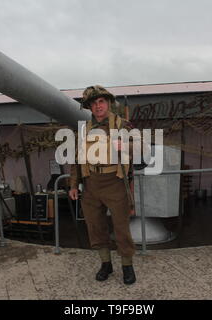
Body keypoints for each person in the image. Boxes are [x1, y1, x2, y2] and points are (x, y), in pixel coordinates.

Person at [68, 85, 137, 285]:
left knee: (121, 228)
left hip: (115, 182)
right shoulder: (84, 129)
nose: (98, 106)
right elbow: (77, 159)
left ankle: (127, 266)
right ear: (89, 107)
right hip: (90, 184)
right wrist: (74, 185)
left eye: (101, 102)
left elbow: (142, 147)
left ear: (108, 103)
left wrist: (125, 145)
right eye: (93, 103)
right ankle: (105, 264)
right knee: (96, 227)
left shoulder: (123, 125)